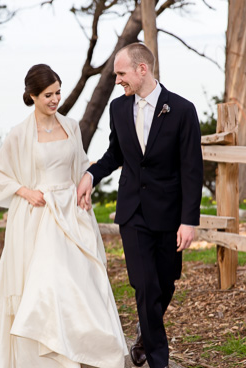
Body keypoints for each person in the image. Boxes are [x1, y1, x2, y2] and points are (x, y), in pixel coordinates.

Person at [0, 64, 127, 368]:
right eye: (47, 95)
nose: (55, 99)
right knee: (49, 284)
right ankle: (50, 357)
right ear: (32, 95)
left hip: (72, 211)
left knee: (80, 283)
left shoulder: (70, 126)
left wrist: (84, 189)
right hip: (40, 217)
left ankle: (81, 349)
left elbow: (80, 165)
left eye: (58, 92)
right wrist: (25, 191)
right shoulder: (19, 134)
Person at [77, 42, 203, 368]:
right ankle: (159, 361)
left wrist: (188, 220)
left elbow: (192, 170)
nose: (118, 80)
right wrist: (91, 175)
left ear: (141, 69)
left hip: (169, 213)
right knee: (144, 285)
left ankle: (145, 334)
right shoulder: (119, 109)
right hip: (132, 211)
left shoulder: (182, 110)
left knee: (165, 283)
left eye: (122, 73)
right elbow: (115, 154)